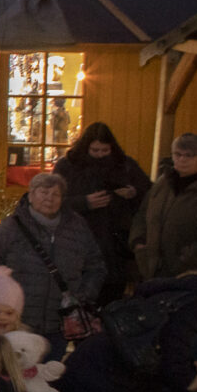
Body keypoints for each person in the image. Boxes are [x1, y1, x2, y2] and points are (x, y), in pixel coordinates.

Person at [0, 171, 106, 352]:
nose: (50, 198)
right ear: (31, 195)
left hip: (60, 322)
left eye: (56, 194)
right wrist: (5, 300)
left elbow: (95, 266)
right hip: (19, 320)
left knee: (50, 370)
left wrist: (83, 295)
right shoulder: (10, 227)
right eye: (44, 192)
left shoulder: (78, 227)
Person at [54, 121, 150, 298]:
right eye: (95, 151)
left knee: (112, 292)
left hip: (115, 241)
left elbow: (148, 193)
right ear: (85, 148)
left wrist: (133, 192)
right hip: (77, 238)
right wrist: (84, 202)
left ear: (112, 148)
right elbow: (53, 202)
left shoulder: (125, 165)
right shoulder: (67, 166)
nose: (100, 155)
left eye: (105, 151)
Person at [135, 133, 197, 279]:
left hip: (193, 272)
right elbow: (143, 214)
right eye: (177, 154)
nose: (182, 160)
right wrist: (138, 242)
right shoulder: (163, 183)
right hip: (153, 268)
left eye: (189, 155)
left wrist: (187, 257)